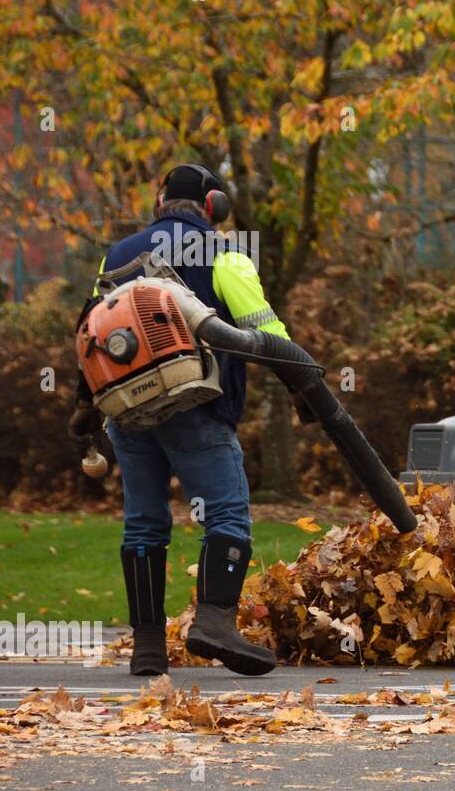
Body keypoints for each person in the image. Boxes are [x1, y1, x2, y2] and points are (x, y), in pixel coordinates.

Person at [68, 163, 305, 677]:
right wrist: (303, 383)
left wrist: (85, 408)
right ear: (214, 205)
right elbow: (264, 331)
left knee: (143, 524)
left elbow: (93, 332)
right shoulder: (225, 254)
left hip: (127, 412)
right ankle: (214, 625)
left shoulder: (118, 254)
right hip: (197, 407)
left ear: (159, 203)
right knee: (226, 514)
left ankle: (148, 646)